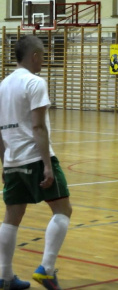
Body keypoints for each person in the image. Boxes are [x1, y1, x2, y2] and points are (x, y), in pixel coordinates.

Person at [0, 35, 72, 290]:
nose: (44, 60)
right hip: (35, 157)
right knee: (63, 210)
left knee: (11, 216)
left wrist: (4, 164)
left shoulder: (3, 85)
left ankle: (5, 276)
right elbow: (38, 127)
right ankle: (47, 269)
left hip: (12, 160)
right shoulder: (35, 82)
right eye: (43, 55)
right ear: (34, 56)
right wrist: (48, 165)